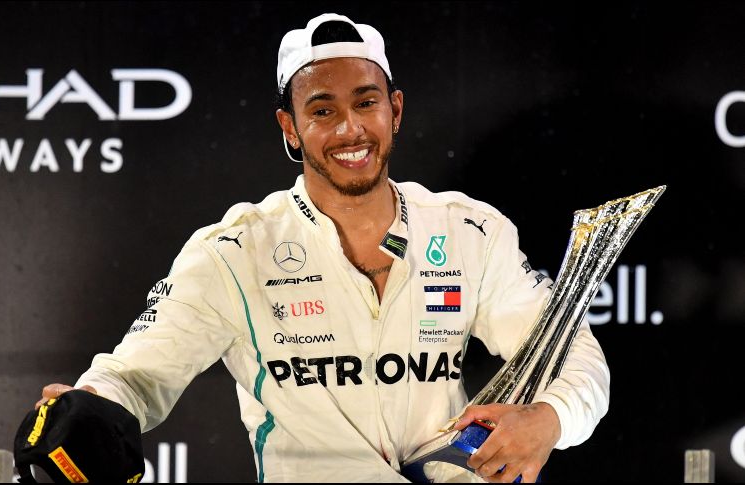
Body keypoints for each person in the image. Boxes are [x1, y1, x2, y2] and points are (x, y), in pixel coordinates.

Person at [35, 13, 609, 483]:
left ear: (396, 110)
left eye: (366, 102)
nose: (350, 130)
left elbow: (574, 354)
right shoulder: (233, 253)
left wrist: (549, 418)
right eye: (323, 111)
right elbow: (132, 377)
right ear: (290, 127)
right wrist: (88, 412)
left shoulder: (471, 231)